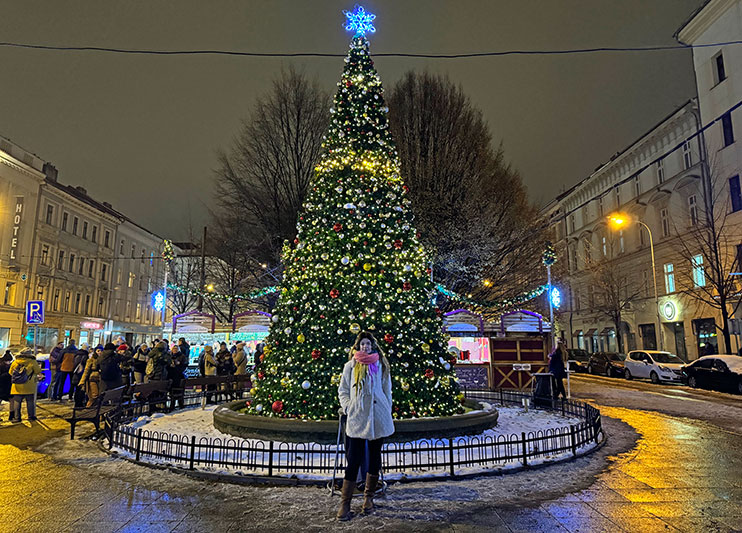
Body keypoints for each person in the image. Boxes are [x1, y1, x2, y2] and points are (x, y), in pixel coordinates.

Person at [336, 331, 394, 521]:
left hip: (378, 416)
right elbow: (343, 389)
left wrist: (387, 407)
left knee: (375, 458)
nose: (365, 347)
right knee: (353, 459)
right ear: (358, 346)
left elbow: (387, 390)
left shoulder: (381, 364)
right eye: (362, 344)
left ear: (372, 346)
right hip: (358, 416)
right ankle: (345, 503)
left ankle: (368, 498)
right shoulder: (350, 366)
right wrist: (348, 407)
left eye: (368, 344)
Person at [9, 349, 42, 423]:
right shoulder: (32, 361)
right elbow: (38, 371)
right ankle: (31, 417)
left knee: (17, 402)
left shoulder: (15, 362)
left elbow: (10, 372)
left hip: (17, 386)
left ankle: (17, 418)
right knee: (30, 401)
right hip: (29, 385)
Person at [168, 344, 188, 409]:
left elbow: (185, 365)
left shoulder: (182, 356)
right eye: (174, 349)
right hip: (171, 375)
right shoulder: (170, 356)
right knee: (172, 390)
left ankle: (180, 403)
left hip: (179, 375)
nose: (175, 350)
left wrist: (179, 365)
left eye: (176, 349)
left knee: (178, 389)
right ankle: (172, 404)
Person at [1, 351, 13, 421]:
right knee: (12, 400)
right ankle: (11, 416)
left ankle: (11, 415)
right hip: (7, 386)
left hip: (2, 386)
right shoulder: (8, 367)